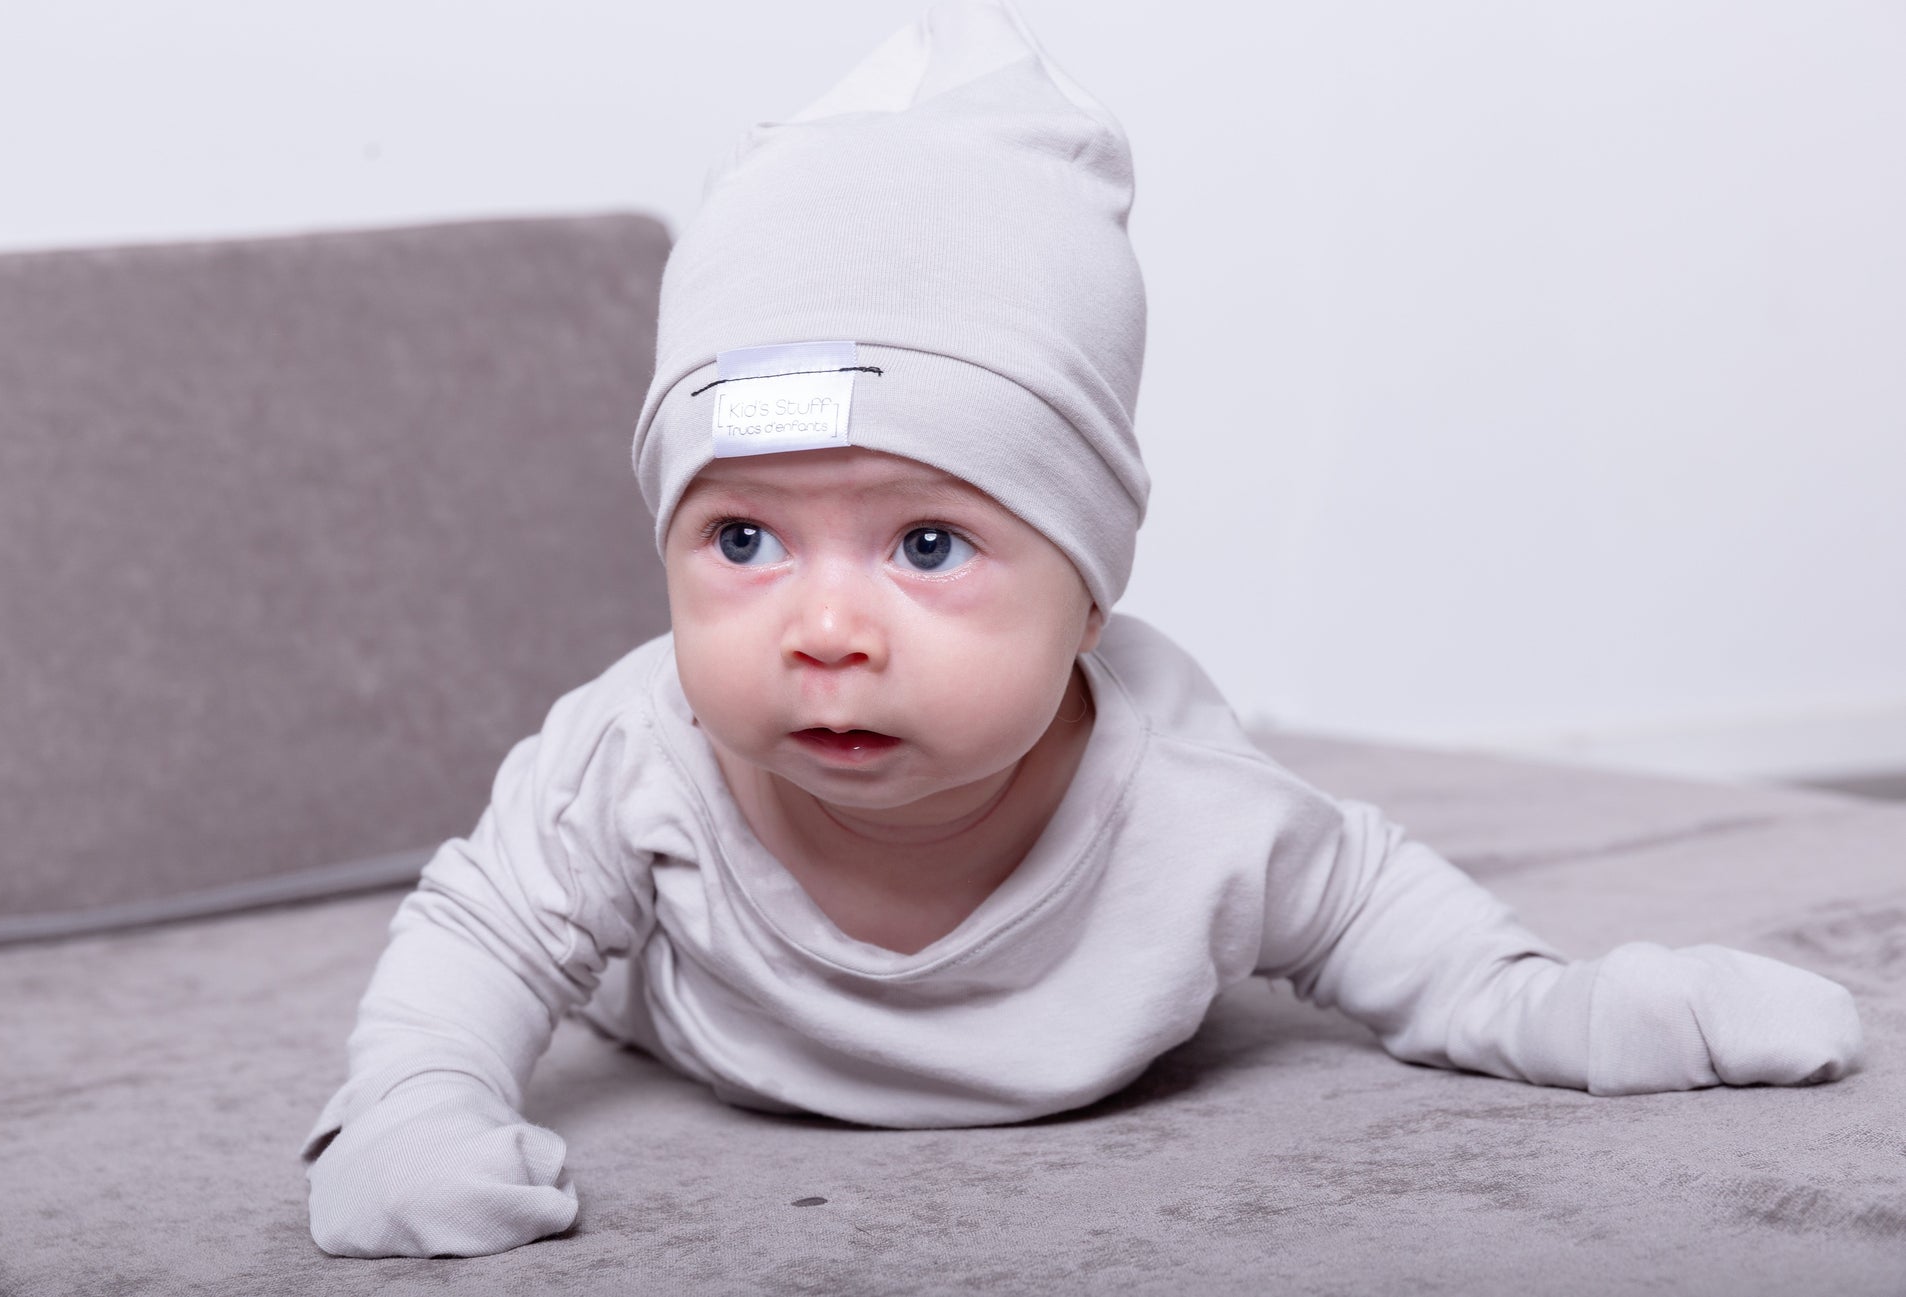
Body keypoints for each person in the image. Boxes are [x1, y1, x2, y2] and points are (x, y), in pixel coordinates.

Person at [301, 0, 1864, 1260]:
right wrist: (415, 1109)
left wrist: (1573, 1008)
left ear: (1090, 587)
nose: (823, 624)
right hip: (702, 1030)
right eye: (741, 537)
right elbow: (484, 933)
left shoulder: (1192, 802)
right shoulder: (636, 749)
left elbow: (1402, 933)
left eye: (928, 542)